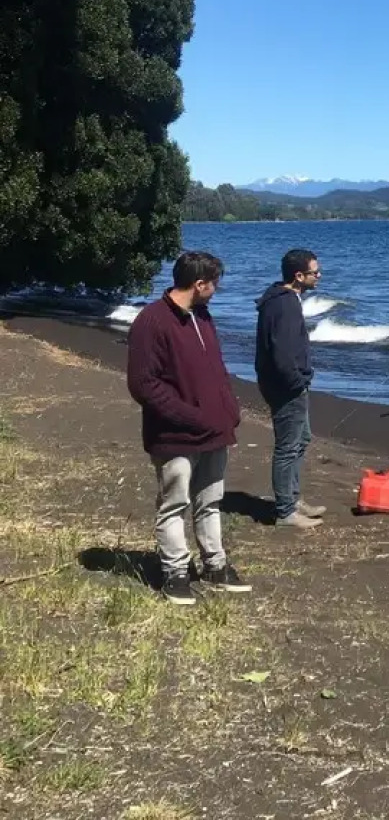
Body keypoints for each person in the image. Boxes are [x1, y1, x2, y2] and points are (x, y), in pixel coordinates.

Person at [125, 251, 249, 605]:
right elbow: (144, 385)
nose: (217, 289)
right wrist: (192, 417)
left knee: (210, 500)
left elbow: (215, 369)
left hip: (213, 431)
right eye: (214, 283)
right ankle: (175, 570)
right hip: (173, 434)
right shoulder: (152, 321)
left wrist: (228, 408)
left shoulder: (202, 316)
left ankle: (215, 564)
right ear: (199, 284)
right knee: (174, 502)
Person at [254, 248, 326, 528]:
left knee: (302, 439)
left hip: (286, 382)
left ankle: (293, 499)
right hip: (285, 386)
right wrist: (297, 382)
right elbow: (282, 353)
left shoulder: (284, 299)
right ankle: (285, 511)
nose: (319, 276)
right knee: (288, 446)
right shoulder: (283, 304)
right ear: (298, 276)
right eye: (314, 272)